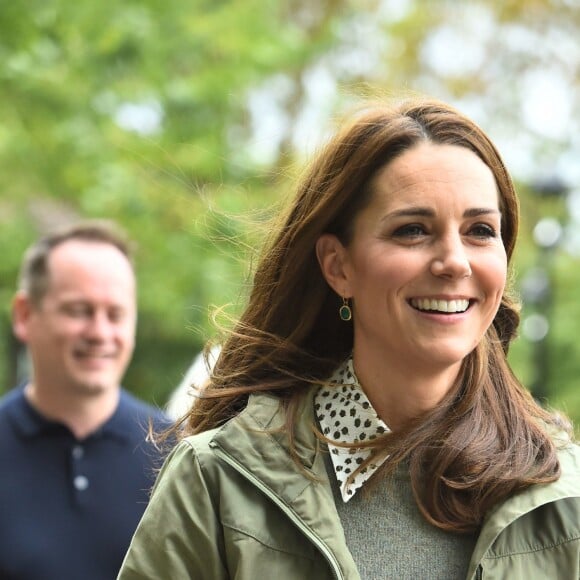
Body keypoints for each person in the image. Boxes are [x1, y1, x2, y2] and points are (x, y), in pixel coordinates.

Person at [117, 98, 580, 580]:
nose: (455, 261)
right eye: (413, 230)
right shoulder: (219, 482)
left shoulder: (565, 496)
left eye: (480, 231)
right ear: (338, 266)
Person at [0, 220, 170, 580]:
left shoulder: (176, 454)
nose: (100, 333)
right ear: (25, 315)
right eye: (79, 311)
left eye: (116, 314)